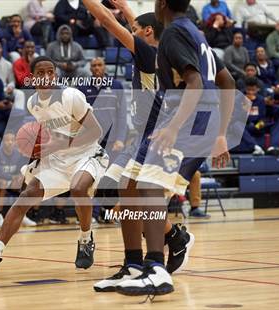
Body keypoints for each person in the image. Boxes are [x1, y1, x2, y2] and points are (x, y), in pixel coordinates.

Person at [82, 0, 196, 289]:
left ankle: (164, 246)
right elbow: (146, 23)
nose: (129, 31)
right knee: (123, 192)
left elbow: (108, 23)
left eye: (134, 29)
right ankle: (141, 258)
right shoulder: (155, 48)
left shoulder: (148, 53)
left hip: (155, 136)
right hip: (142, 134)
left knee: (132, 196)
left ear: (147, 33)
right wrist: (125, 4)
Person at [0, 56, 110, 275]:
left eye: (50, 72)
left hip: (88, 153)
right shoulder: (32, 103)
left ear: (55, 75)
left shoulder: (71, 96)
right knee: (26, 196)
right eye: (41, 73)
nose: (46, 77)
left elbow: (96, 132)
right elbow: (45, 137)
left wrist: (59, 143)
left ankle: (85, 239)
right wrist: (36, 156)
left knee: (78, 188)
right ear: (32, 77)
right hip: (57, 159)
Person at [79, 57, 127, 162]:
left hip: (112, 140)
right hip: (91, 140)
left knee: (109, 174)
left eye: (100, 65)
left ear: (105, 67)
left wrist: (120, 139)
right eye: (94, 65)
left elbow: (122, 115)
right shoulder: (82, 87)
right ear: (90, 69)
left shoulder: (117, 86)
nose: (97, 68)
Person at [0, 131, 33, 228]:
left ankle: (23, 214)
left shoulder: (19, 154)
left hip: (12, 182)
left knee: (27, 181)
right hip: (0, 180)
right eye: (7, 140)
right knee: (1, 181)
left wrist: (20, 176)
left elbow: (22, 169)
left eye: (12, 140)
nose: (10, 142)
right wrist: (12, 177)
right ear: (2, 141)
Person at [241, 77, 279, 156]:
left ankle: (273, 147)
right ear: (245, 89)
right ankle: (255, 147)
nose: (250, 92)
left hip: (259, 125)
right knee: (236, 125)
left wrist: (271, 105)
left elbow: (265, 117)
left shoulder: (261, 100)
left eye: (253, 90)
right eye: (248, 90)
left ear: (257, 89)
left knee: (277, 124)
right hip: (246, 126)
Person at [0, 41, 26, 110]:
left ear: (2, 49)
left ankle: (18, 115)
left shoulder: (8, 64)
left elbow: (12, 81)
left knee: (20, 94)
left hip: (6, 89)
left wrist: (10, 87)